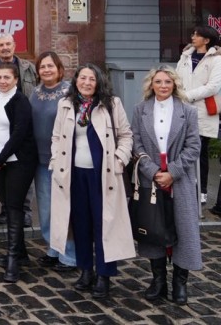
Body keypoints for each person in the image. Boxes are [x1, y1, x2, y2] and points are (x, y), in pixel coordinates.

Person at [50, 64, 135, 299]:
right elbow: (56, 136)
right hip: (74, 174)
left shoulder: (111, 104)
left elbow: (126, 135)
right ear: (76, 80)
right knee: (81, 224)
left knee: (104, 225)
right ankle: (86, 270)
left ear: (99, 82)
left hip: (103, 175)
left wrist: (119, 160)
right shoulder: (66, 104)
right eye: (82, 78)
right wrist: (55, 160)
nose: (87, 83)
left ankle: (104, 275)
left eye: (92, 79)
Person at [132, 66, 201, 305]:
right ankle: (158, 280)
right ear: (151, 85)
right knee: (154, 226)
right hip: (151, 179)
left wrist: (172, 172)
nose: (163, 86)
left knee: (183, 228)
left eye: (168, 82)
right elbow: (136, 144)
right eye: (159, 82)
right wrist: (152, 171)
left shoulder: (188, 111)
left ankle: (180, 283)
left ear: (174, 85)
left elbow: (193, 146)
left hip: (179, 179)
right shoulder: (140, 110)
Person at [0, 62, 37, 283]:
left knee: (14, 208)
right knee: (7, 205)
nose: (2, 81)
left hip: (19, 162)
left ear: (16, 79)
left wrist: (0, 158)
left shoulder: (20, 101)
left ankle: (13, 260)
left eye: (7, 77)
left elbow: (18, 134)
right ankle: (21, 253)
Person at [0, 32, 36, 225]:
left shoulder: (28, 68)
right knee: (3, 175)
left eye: (8, 44)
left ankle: (25, 210)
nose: (5, 48)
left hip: (21, 124)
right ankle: (6, 209)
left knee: (22, 174)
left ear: (14, 45)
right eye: (1, 45)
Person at [30, 52, 76, 269]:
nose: (46, 70)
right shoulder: (35, 93)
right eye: (42, 67)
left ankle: (70, 255)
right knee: (46, 208)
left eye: (50, 66)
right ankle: (53, 248)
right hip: (40, 160)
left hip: (63, 160)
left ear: (59, 69)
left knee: (65, 209)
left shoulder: (69, 92)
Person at [175, 25, 221, 206]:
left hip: (202, 110)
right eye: (193, 34)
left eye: (197, 35)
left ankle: (201, 191)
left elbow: (213, 87)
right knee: (180, 149)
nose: (193, 37)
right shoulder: (186, 55)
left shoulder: (216, 60)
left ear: (207, 40)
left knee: (200, 152)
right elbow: (177, 78)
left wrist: (187, 96)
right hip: (181, 109)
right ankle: (185, 187)